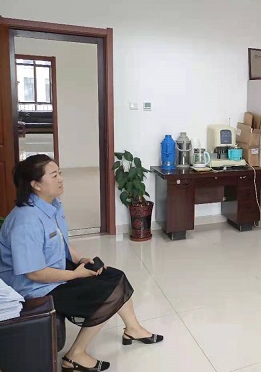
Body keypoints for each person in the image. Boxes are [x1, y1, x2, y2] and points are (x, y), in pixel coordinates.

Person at [0, 155, 164, 372]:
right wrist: (74, 274)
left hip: (53, 271)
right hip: (34, 288)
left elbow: (60, 242)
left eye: (60, 173)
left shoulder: (52, 204)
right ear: (36, 185)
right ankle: (75, 355)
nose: (61, 179)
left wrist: (80, 260)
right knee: (108, 291)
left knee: (114, 275)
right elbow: (34, 273)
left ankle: (132, 329)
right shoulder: (26, 220)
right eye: (54, 175)